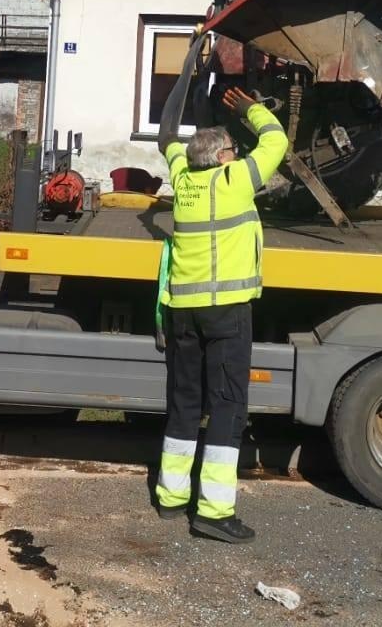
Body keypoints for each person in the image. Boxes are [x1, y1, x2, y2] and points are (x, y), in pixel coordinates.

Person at [154, 81, 288, 543]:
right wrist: (251, 108)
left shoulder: (182, 179)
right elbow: (277, 141)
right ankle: (212, 511)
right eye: (234, 147)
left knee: (185, 403)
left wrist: (183, 74)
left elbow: (166, 138)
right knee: (228, 407)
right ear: (225, 157)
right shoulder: (237, 181)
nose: (238, 151)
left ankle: (171, 497)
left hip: (182, 313)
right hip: (226, 313)